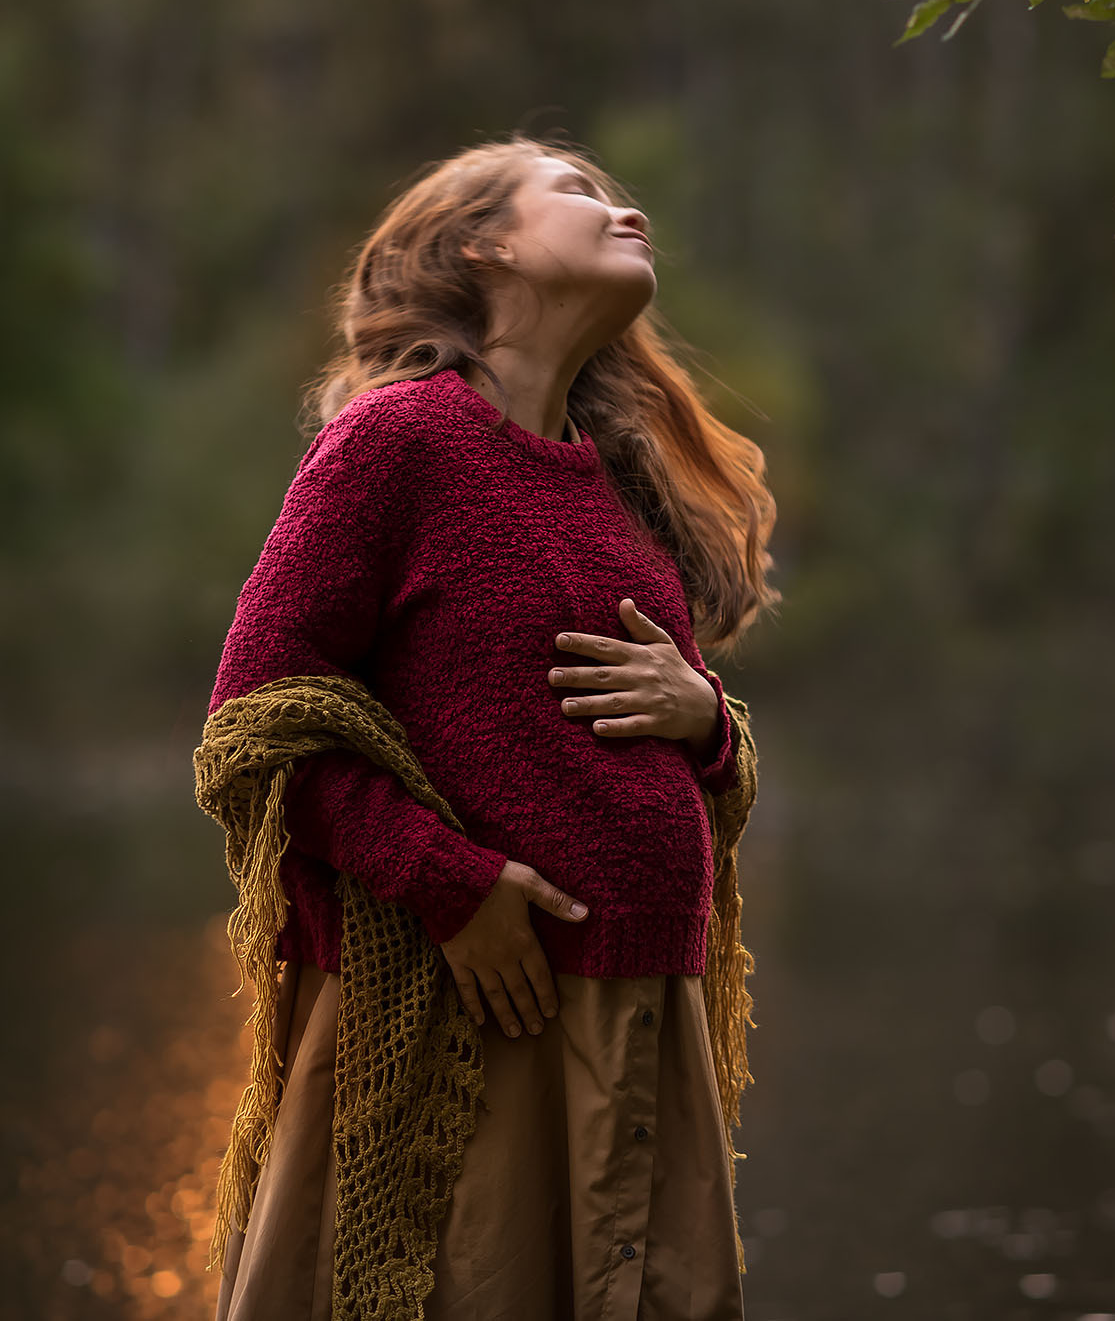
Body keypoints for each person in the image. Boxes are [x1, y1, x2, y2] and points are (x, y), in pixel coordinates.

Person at [202, 132, 778, 1320]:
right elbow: (253, 718)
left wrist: (705, 724)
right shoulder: (397, 441)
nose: (621, 208)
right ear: (484, 245)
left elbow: (678, 717)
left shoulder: (611, 483)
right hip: (472, 1008)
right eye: (575, 191)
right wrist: (451, 885)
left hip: (637, 1002)